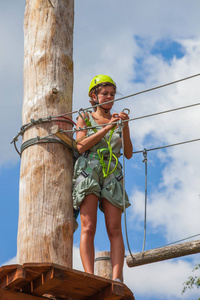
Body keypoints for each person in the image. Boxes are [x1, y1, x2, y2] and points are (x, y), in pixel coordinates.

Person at [72, 74, 133, 281]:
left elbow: (128, 153)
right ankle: (89, 276)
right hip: (89, 168)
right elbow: (80, 146)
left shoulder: (118, 120)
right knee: (88, 226)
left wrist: (124, 127)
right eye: (105, 93)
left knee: (114, 228)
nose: (109, 97)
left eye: (112, 94)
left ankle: (116, 277)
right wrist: (107, 128)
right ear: (94, 96)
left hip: (112, 171)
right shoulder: (85, 118)